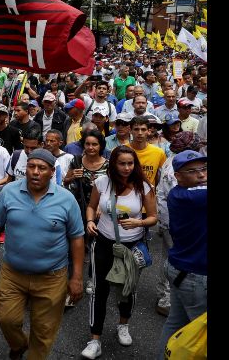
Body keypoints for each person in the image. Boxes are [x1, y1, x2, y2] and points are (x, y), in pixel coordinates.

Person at [0, 148, 84, 360]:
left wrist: (77, 277)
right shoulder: (9, 192)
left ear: (52, 172)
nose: (35, 172)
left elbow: (77, 238)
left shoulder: (66, 199)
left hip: (52, 277)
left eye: (42, 168)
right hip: (13, 273)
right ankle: (18, 345)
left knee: (43, 331)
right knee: (6, 319)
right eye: (31, 166)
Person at [81, 145, 157, 359]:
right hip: (104, 243)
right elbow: (91, 205)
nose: (126, 168)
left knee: (128, 289)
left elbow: (153, 217)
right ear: (113, 164)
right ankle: (94, 340)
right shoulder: (102, 182)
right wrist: (89, 221)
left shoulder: (144, 186)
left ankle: (123, 325)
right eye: (121, 163)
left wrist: (139, 222)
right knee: (99, 290)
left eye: (130, 163)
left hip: (132, 247)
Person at [155, 150, 207, 359]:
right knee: (200, 335)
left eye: (203, 168)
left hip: (180, 270)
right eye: (193, 171)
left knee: (175, 324)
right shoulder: (192, 197)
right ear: (177, 176)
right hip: (195, 276)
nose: (201, 174)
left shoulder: (181, 193)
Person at [129, 116, 166, 187]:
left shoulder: (159, 152)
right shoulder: (119, 151)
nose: (140, 133)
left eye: (143, 129)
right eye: (136, 129)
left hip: (149, 194)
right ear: (130, 130)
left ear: (148, 131)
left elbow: (162, 177)